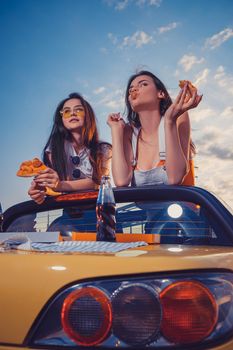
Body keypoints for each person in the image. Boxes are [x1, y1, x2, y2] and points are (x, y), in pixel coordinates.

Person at [107, 70, 202, 187]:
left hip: (179, 204)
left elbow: (174, 178)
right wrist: (116, 131)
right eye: (131, 88)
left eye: (143, 84)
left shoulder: (178, 118)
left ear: (161, 94)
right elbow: (121, 181)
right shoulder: (128, 132)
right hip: (141, 206)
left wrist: (169, 121)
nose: (133, 90)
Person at [28, 92, 111, 204]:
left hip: (98, 210)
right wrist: (40, 190)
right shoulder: (54, 148)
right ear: (61, 119)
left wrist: (60, 185)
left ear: (88, 115)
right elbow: (51, 185)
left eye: (78, 110)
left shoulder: (103, 149)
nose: (72, 113)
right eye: (66, 111)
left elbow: (100, 182)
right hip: (68, 212)